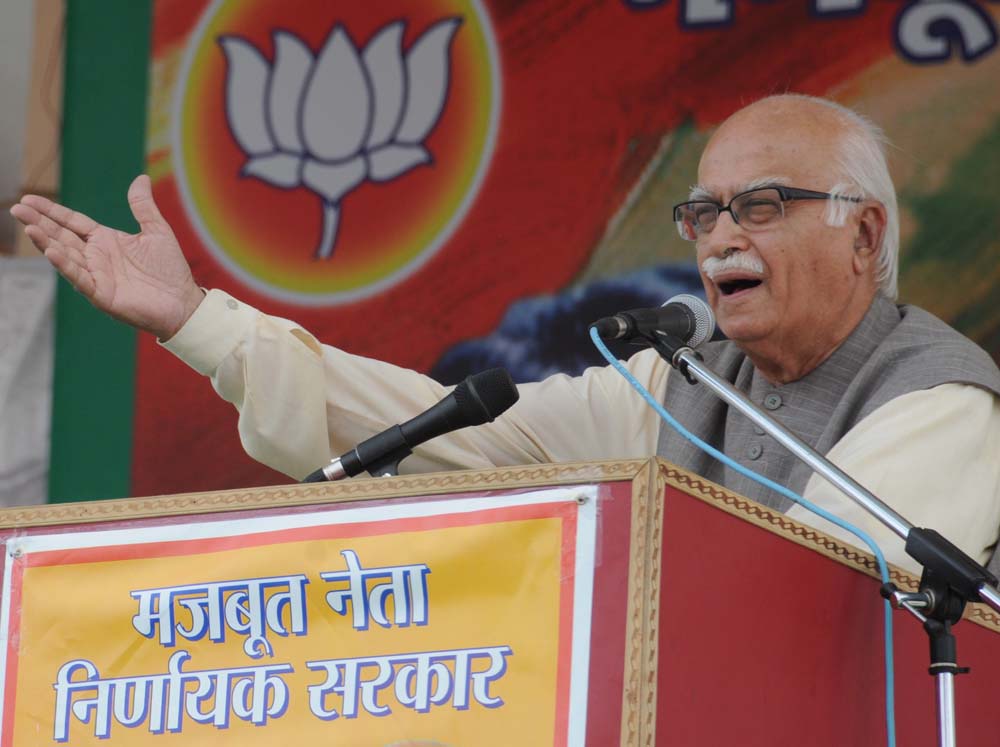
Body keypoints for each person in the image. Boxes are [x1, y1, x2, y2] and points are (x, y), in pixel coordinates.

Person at [11, 94, 1000, 575]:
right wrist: (197, 322)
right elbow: (444, 429)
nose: (720, 239)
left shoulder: (941, 399)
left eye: (762, 206)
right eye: (702, 214)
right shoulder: (679, 380)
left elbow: (807, 600)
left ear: (864, 232)